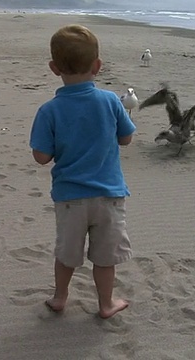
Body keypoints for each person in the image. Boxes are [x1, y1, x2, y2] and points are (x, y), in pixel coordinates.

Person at [29, 24, 136, 319]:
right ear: (97, 66)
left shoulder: (49, 110)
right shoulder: (111, 101)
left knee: (66, 254)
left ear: (54, 68)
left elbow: (41, 157)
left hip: (70, 197)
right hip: (108, 195)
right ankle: (106, 303)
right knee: (105, 258)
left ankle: (60, 297)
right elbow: (126, 138)